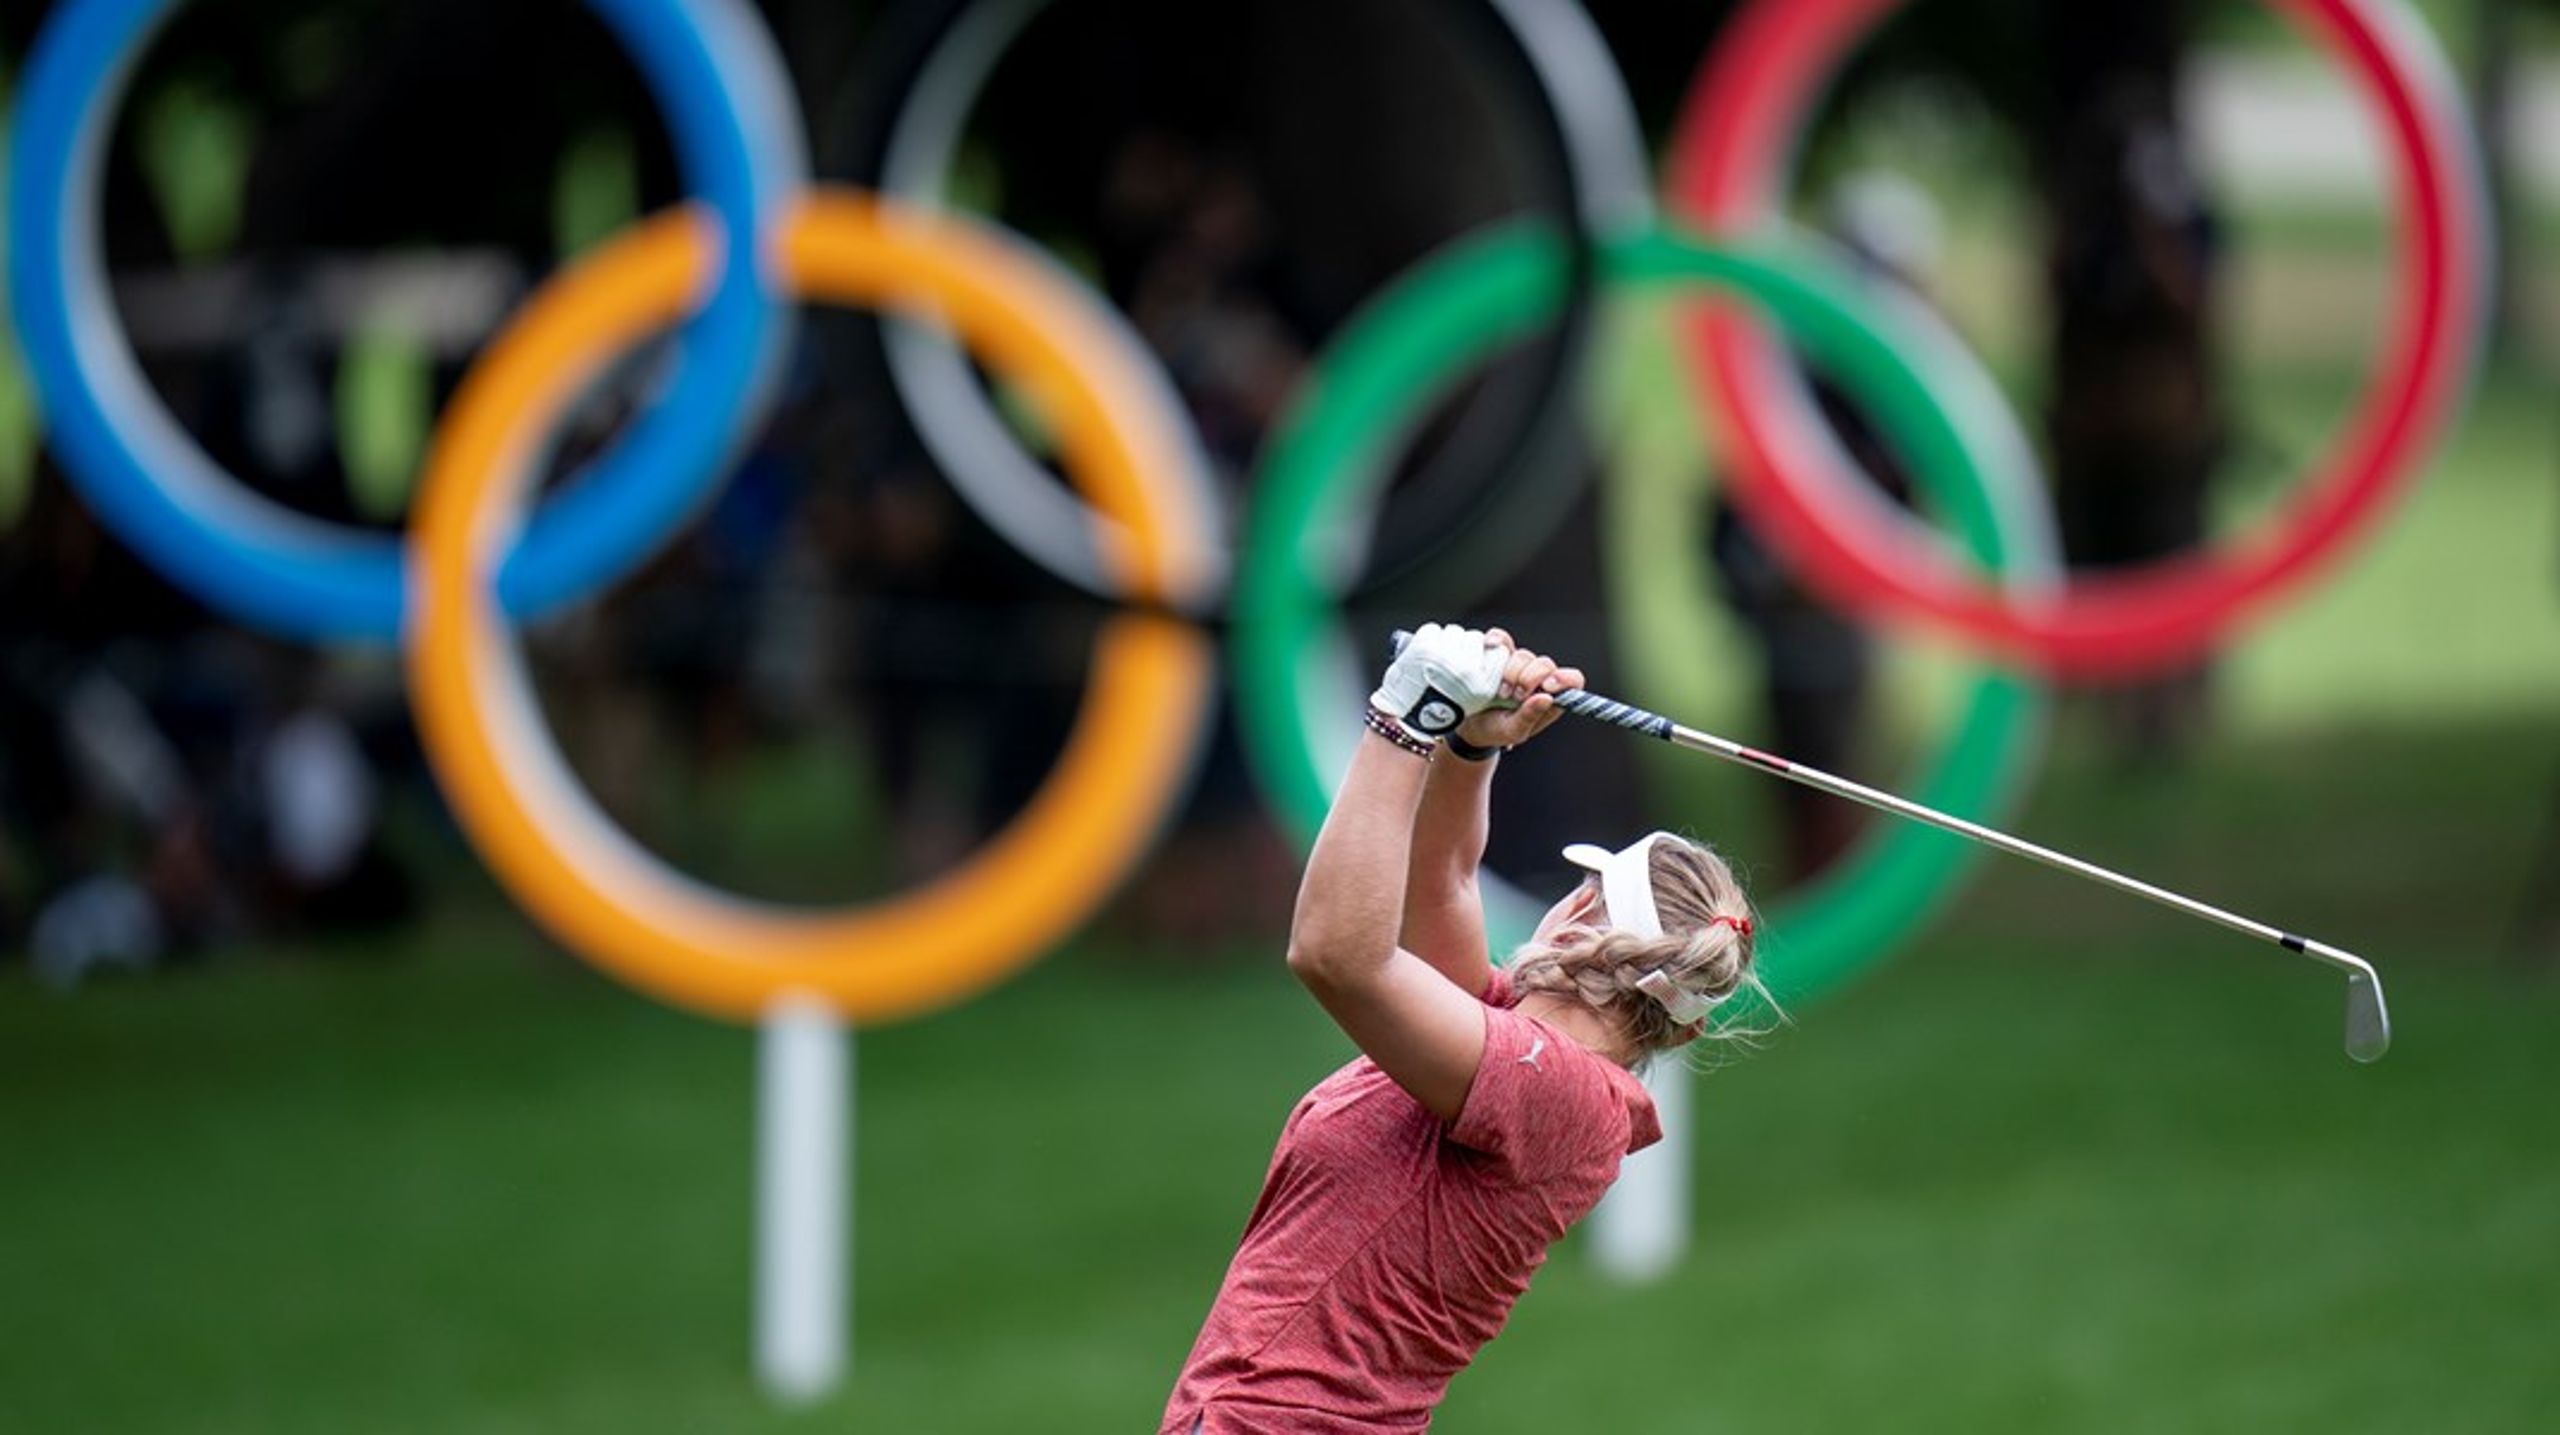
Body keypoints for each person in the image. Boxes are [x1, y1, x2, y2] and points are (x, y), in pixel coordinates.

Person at [1161, 624, 1768, 1433]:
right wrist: (1471, 744)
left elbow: (1336, 955)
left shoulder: (1561, 1091)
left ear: (1580, 906)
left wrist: (1402, 720)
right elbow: (1441, 880)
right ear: (1681, 1031)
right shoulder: (1503, 1035)